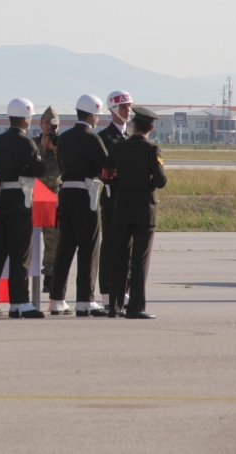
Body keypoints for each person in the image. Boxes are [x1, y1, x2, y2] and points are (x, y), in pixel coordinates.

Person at [0, 98, 47, 318]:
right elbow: (40, 169)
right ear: (26, 119)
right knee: (20, 254)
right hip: (20, 202)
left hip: (0, 201)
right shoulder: (26, 142)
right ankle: (20, 302)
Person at [103, 107, 167, 319]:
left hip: (122, 207)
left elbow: (107, 175)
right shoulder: (152, 149)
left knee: (119, 257)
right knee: (140, 260)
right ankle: (136, 307)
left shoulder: (118, 148)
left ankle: (114, 306)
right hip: (144, 210)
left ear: (134, 125)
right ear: (151, 127)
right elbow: (160, 181)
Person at [48, 94, 108, 317]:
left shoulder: (63, 138)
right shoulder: (92, 139)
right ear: (91, 115)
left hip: (66, 193)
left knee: (65, 247)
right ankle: (85, 299)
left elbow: (61, 164)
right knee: (89, 247)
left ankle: (56, 299)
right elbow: (105, 167)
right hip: (87, 193)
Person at [97, 90, 133, 309]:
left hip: (128, 198)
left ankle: (124, 291)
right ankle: (107, 292)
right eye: (123, 107)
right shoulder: (104, 138)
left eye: (129, 106)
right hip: (111, 198)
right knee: (110, 245)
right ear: (112, 110)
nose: (127, 110)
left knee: (127, 246)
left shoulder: (130, 138)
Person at [33, 106, 62, 292]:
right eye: (46, 123)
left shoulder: (63, 144)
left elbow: (68, 166)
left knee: (54, 240)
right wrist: (43, 149)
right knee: (30, 240)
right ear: (40, 124)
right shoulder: (33, 144)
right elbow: (30, 165)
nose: (50, 128)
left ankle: (49, 279)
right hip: (35, 196)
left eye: (54, 124)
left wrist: (55, 149)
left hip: (54, 194)